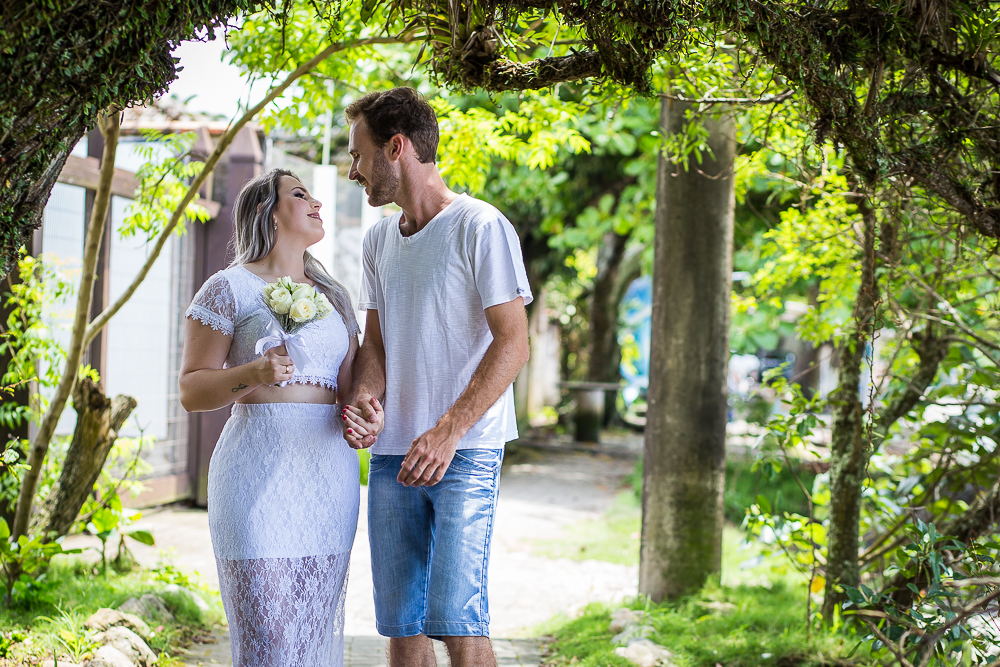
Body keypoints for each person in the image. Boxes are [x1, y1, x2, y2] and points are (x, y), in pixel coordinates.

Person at [342, 87, 531, 667]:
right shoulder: (378, 240)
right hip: (393, 454)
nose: (353, 170)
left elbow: (514, 342)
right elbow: (375, 344)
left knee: (457, 621)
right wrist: (365, 397)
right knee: (403, 627)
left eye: (358, 154)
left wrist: (448, 430)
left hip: (465, 450)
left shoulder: (480, 226)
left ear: (396, 147)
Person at [179, 168, 383, 667]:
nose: (316, 202)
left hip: (327, 479)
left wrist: (366, 415)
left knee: (310, 638)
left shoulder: (335, 297)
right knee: (268, 640)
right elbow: (191, 390)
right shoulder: (228, 288)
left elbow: (353, 386)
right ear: (265, 211)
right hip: (255, 475)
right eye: (300, 194)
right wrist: (251, 371)